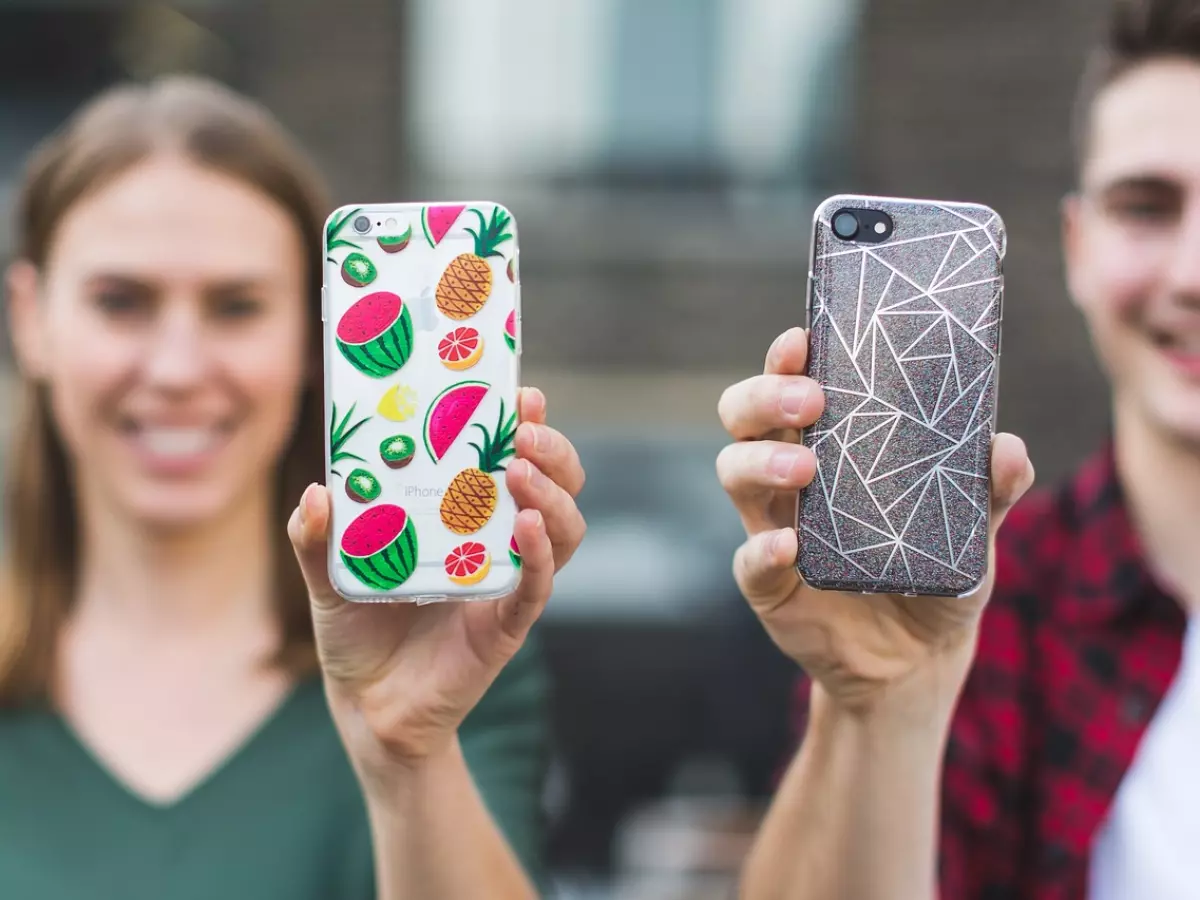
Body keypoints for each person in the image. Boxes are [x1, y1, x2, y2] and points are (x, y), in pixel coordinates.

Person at [0, 75, 587, 899]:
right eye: (121, 301)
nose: (175, 369)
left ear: (316, 338)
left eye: (237, 306)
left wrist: (408, 757)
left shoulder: (447, 657)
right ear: (31, 318)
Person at [716, 0, 1200, 896]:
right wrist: (882, 706)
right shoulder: (975, 603)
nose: (1194, 271)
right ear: (1076, 246)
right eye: (1147, 208)